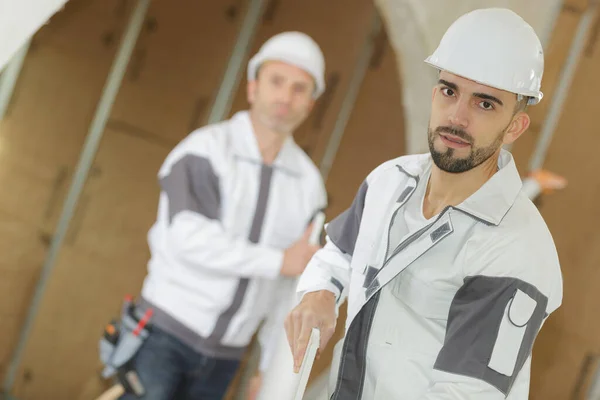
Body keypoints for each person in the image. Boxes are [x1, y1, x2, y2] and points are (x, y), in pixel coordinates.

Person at [285, 8, 563, 399]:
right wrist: (321, 294)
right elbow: (341, 253)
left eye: (485, 104)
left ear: (515, 126)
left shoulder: (515, 249)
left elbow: (466, 394)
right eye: (450, 91)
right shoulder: (388, 181)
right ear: (435, 95)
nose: (457, 117)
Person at [119, 31, 328, 400]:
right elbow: (189, 239)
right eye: (276, 82)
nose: (285, 97)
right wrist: (279, 260)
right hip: (164, 337)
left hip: (225, 358)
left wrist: (269, 370)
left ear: (310, 104)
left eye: (300, 88)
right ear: (252, 88)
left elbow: (289, 287)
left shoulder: (309, 185)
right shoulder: (206, 150)